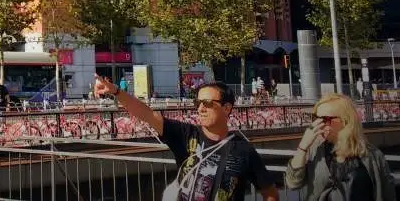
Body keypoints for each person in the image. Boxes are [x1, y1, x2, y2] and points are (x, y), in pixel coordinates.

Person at [93, 76, 278, 201]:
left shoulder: (244, 150)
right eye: (197, 103)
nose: (200, 109)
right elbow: (147, 114)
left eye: (207, 103)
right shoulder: (186, 135)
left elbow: (270, 193)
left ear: (227, 108)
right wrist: (116, 91)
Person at [285, 93, 395, 200]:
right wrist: (303, 146)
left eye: (325, 119)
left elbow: (388, 194)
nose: (319, 125)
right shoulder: (315, 150)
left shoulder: (373, 156)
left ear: (346, 120)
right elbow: (293, 183)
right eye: (315, 118)